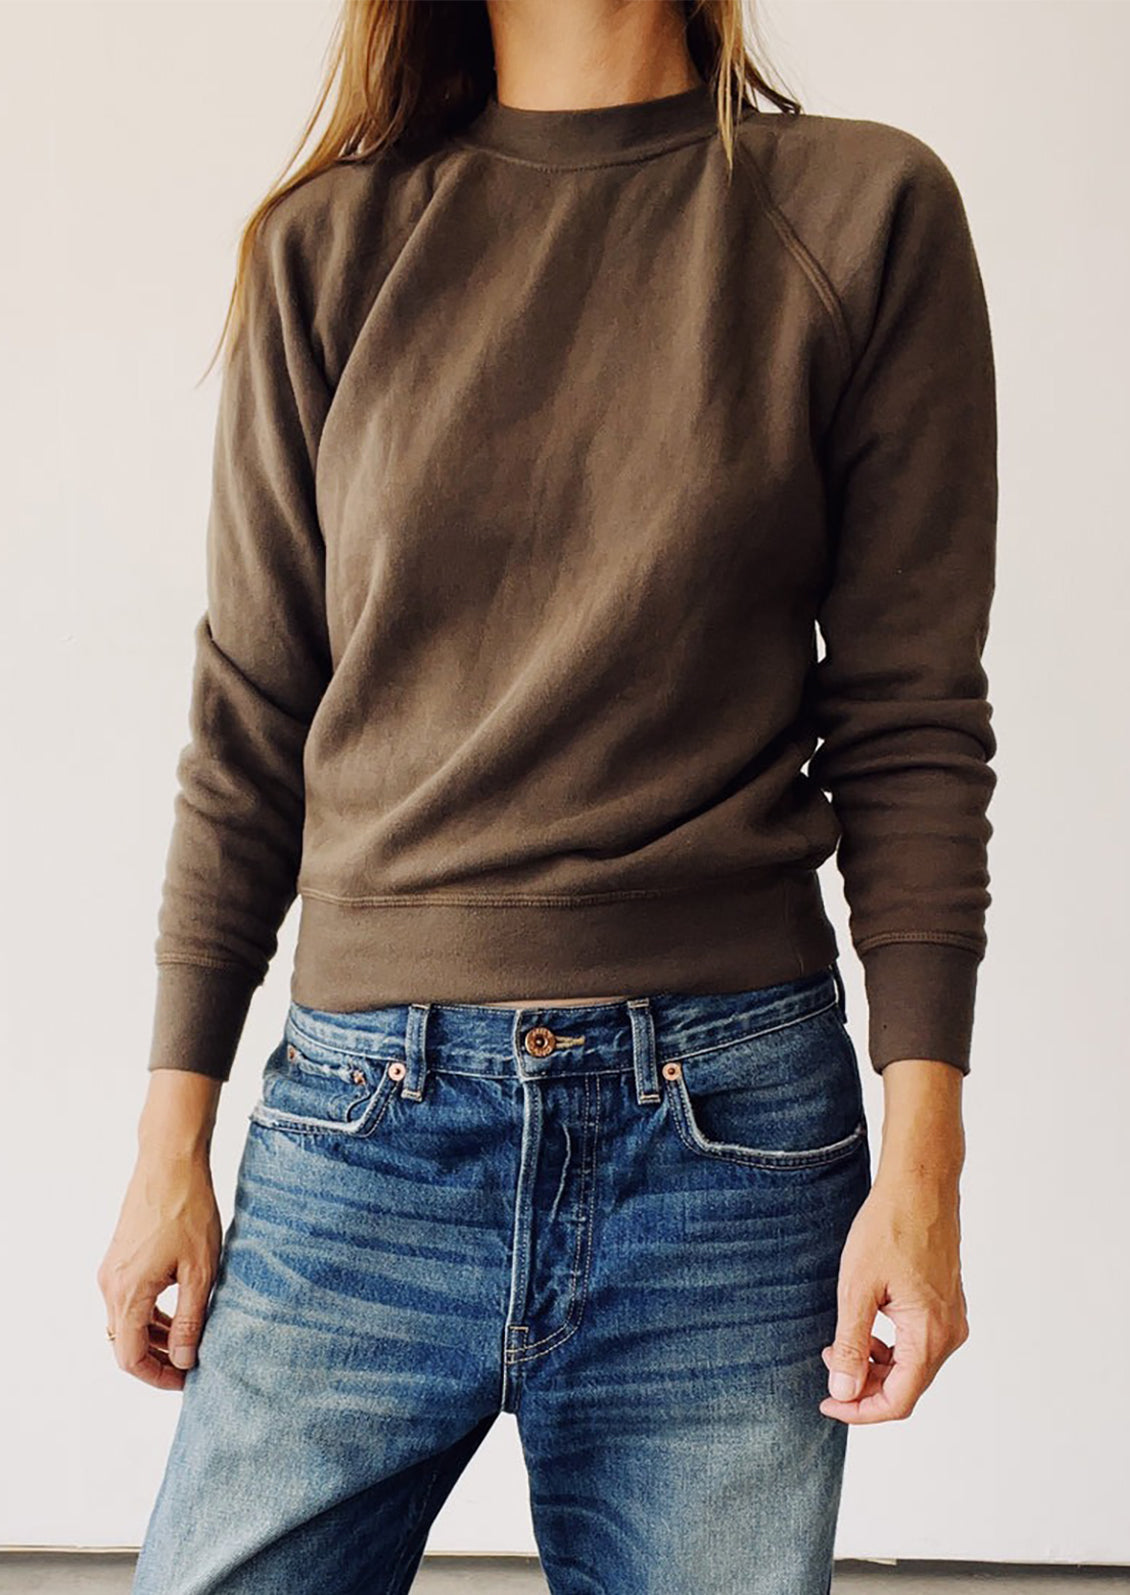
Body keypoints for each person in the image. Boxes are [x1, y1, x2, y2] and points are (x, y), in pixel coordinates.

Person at [99, 0, 996, 1590]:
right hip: (364, 1122)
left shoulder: (860, 211)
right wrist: (170, 1144)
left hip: (724, 1140)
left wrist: (924, 1172)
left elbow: (907, 717)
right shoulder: (330, 244)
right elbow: (249, 719)